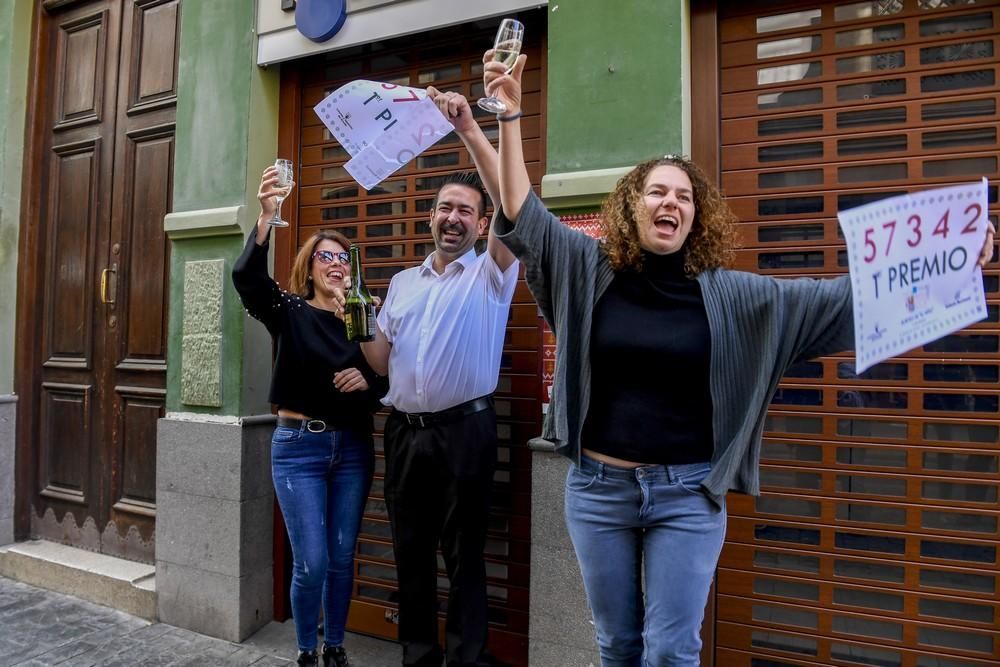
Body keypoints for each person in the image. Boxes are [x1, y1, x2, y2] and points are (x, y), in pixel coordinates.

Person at [483, 53, 997, 667]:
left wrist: (951, 263)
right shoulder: (587, 269)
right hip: (598, 488)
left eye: (684, 196)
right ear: (632, 205)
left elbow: (837, 301)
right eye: (656, 191)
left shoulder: (737, 296)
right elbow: (523, 213)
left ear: (696, 215)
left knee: (672, 650)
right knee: (616, 644)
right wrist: (508, 116)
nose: (670, 202)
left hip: (688, 494)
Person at [340, 89, 518, 667]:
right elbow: (380, 362)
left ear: (481, 221)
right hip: (404, 434)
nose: (453, 218)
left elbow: (513, 201)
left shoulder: (493, 270)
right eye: (445, 207)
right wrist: (354, 312)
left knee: (465, 557)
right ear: (431, 214)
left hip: (465, 432)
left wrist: (469, 127)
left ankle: (467, 662)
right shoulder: (402, 283)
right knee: (409, 553)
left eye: (466, 210)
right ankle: (417, 657)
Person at [232, 166, 389, 667]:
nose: (338, 264)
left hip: (353, 448)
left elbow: (390, 383)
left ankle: (336, 646)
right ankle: (305, 650)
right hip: (299, 446)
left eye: (344, 259)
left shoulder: (366, 319)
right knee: (313, 562)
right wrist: (266, 216)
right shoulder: (289, 310)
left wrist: (369, 375)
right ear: (310, 266)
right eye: (327, 257)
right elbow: (247, 280)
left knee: (342, 558)